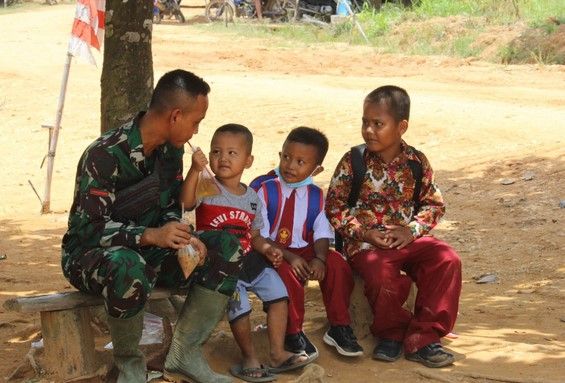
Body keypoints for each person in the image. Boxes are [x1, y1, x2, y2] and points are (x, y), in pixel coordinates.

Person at [61, 69, 243, 383]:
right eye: (196, 121)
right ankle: (130, 369)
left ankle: (185, 354)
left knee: (225, 248)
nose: (196, 130)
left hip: (151, 252)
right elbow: (89, 230)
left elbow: (170, 207)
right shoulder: (104, 154)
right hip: (91, 257)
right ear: (175, 116)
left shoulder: (170, 151)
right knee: (128, 266)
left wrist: (183, 237)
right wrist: (149, 235)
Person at [325, 85, 462, 368]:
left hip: (406, 239)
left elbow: (434, 205)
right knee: (380, 273)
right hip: (366, 242)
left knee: (447, 259)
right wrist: (363, 233)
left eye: (378, 124)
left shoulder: (416, 162)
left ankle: (424, 337)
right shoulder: (354, 161)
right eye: (365, 122)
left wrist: (410, 231)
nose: (369, 130)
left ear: (401, 127)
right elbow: (334, 206)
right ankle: (392, 333)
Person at [181, 123, 311, 382]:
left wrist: (270, 250)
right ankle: (249, 356)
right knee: (238, 305)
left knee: (279, 295)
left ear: (248, 161)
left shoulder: (252, 197)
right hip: (221, 264)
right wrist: (195, 170)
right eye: (216, 152)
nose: (222, 158)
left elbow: (255, 235)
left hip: (251, 259)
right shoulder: (206, 186)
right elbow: (185, 202)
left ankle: (276, 352)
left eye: (232, 153)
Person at [253, 127, 363, 359]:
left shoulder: (317, 195)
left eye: (301, 161)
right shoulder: (266, 189)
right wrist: (290, 257)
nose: (290, 165)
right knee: (287, 273)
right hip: (271, 249)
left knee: (337, 265)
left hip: (305, 249)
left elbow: (321, 232)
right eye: (286, 157)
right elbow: (260, 235)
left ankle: (339, 325)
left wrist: (320, 259)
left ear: (317, 168)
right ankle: (292, 332)